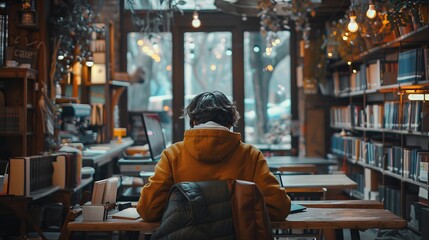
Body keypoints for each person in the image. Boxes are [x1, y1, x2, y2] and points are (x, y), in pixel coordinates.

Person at [136, 91, 291, 222]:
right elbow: (279, 208)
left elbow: (148, 211)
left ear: (193, 120)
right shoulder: (251, 155)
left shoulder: (173, 155)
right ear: (231, 121)